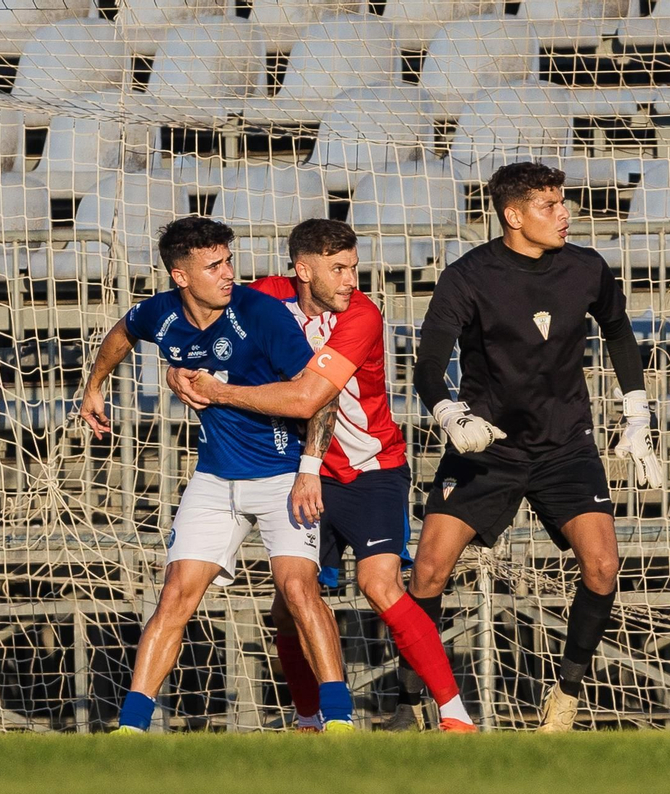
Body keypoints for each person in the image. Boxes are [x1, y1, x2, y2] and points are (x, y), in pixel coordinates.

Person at [170, 218, 476, 733]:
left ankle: (453, 712)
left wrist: (219, 391)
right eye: (338, 269)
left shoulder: (361, 314)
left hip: (369, 468)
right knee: (288, 604)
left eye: (353, 267)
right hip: (300, 473)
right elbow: (193, 305)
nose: (350, 280)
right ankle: (309, 717)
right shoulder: (265, 298)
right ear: (302, 269)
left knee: (379, 583)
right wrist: (177, 363)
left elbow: (312, 397)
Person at [407, 161, 662, 733]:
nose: (564, 214)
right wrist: (450, 412)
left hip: (565, 445)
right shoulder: (468, 275)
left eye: (562, 201)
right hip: (487, 446)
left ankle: (566, 695)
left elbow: (618, 331)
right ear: (513, 215)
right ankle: (415, 702)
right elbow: (427, 364)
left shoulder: (586, 267)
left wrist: (637, 413)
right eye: (549, 205)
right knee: (426, 573)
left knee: (601, 566)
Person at [77, 216, 355, 733]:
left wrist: (309, 469)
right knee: (176, 594)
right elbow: (123, 331)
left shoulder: (263, 314)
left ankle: (338, 720)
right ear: (181, 277)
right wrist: (95, 385)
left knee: (297, 591)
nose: (229, 273)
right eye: (214, 265)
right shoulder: (160, 315)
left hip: (280, 476)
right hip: (213, 479)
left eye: (229, 260)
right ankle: (132, 728)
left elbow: (320, 395)